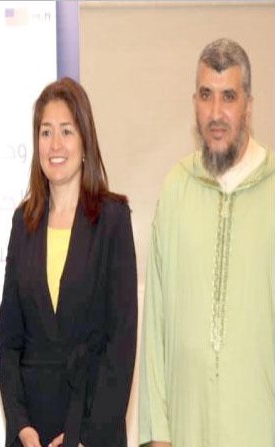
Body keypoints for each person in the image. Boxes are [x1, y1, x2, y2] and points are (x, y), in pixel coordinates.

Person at [139, 38, 275, 447]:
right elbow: (155, 325)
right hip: (185, 430)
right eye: (205, 95)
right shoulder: (176, 190)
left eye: (228, 97)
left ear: (248, 105)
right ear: (194, 102)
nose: (216, 113)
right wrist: (158, 434)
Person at [0, 77, 137, 447]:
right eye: (46, 132)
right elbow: (8, 338)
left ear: (85, 140)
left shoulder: (113, 219)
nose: (55, 144)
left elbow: (121, 343)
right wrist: (21, 425)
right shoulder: (23, 221)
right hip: (32, 433)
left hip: (93, 427)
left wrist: (84, 436)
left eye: (66, 131)